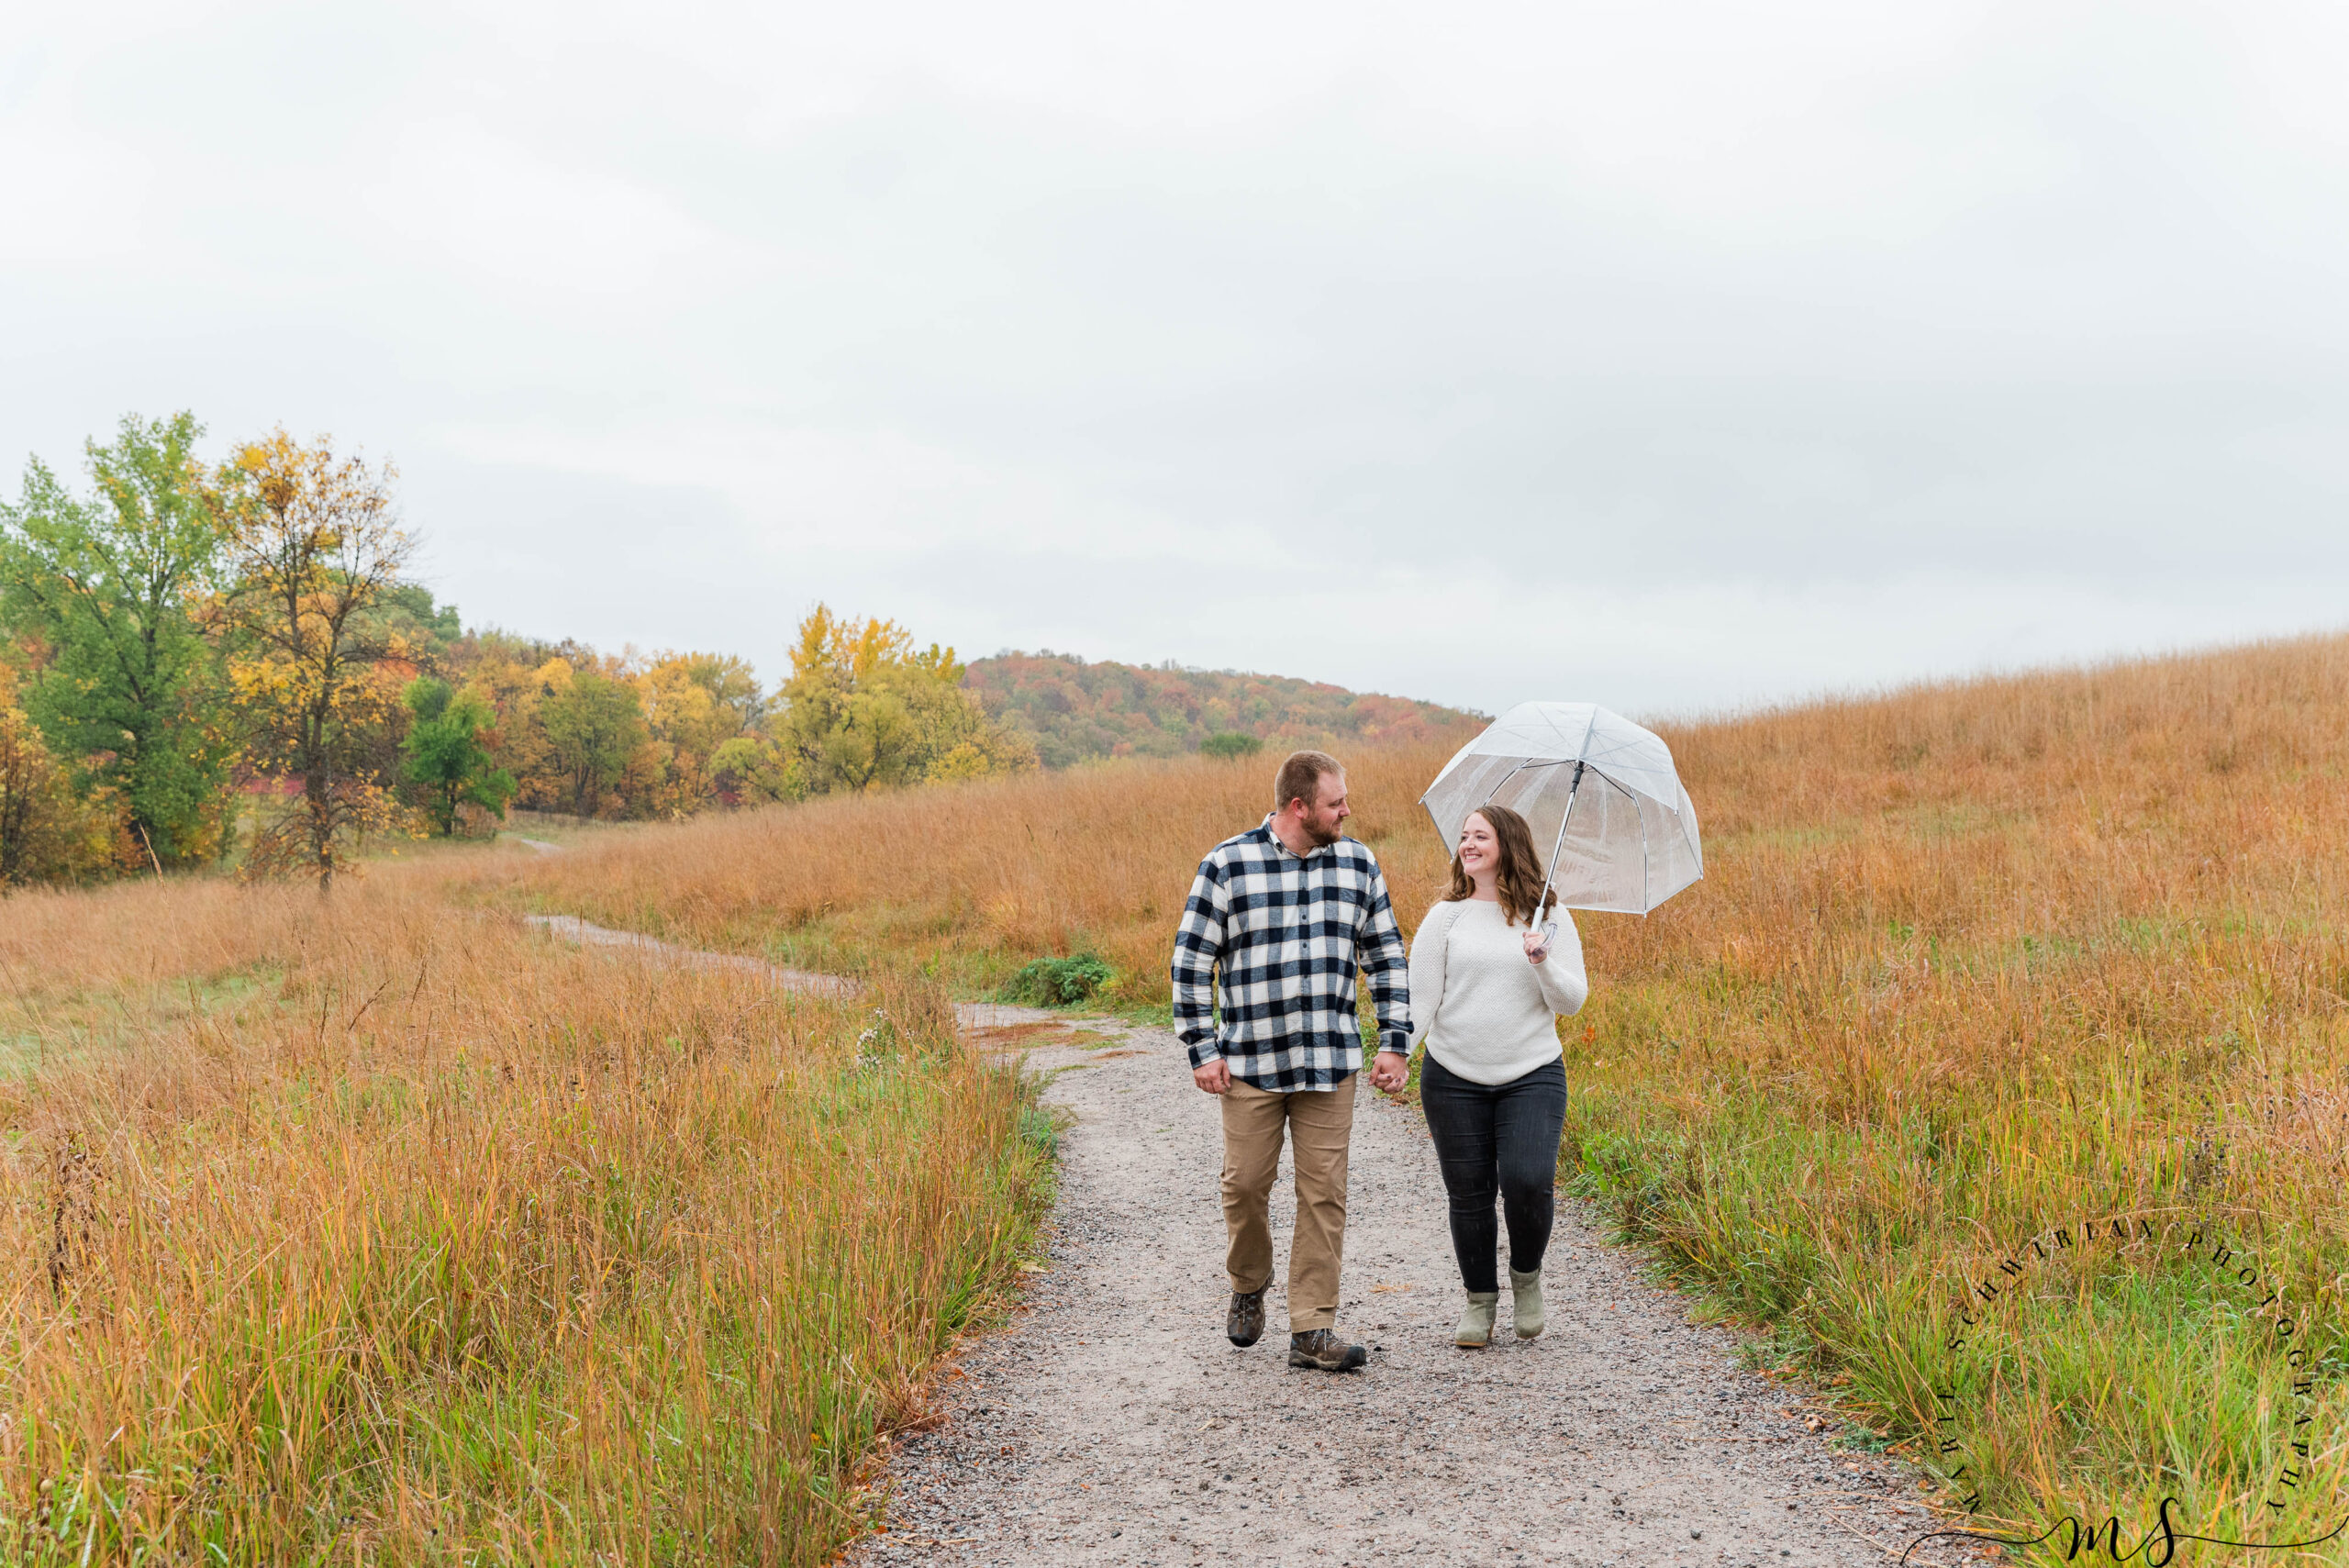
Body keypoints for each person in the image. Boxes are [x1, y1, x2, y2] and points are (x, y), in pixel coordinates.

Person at [1173, 749, 1412, 1373]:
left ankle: (1312, 1327)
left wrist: (1394, 1040)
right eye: (1337, 802)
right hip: (1250, 1061)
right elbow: (1193, 961)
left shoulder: (1358, 863)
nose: (1347, 810)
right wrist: (1203, 1047)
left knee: (1324, 1192)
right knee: (1245, 1183)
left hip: (1329, 1061)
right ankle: (1249, 1280)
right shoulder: (1227, 864)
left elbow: (1385, 955)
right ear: (1299, 806)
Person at [1401, 804, 1587, 1348]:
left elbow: (1571, 1001)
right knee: (1469, 1195)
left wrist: (1542, 960)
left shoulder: (1548, 914)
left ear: (1507, 843)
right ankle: (1479, 1301)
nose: (1468, 844)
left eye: (1479, 835)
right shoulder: (1446, 917)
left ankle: (1526, 1277)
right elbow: (1421, 1000)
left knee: (1527, 1181)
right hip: (1453, 1074)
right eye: (1464, 836)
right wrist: (1398, 1053)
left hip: (1531, 1073)